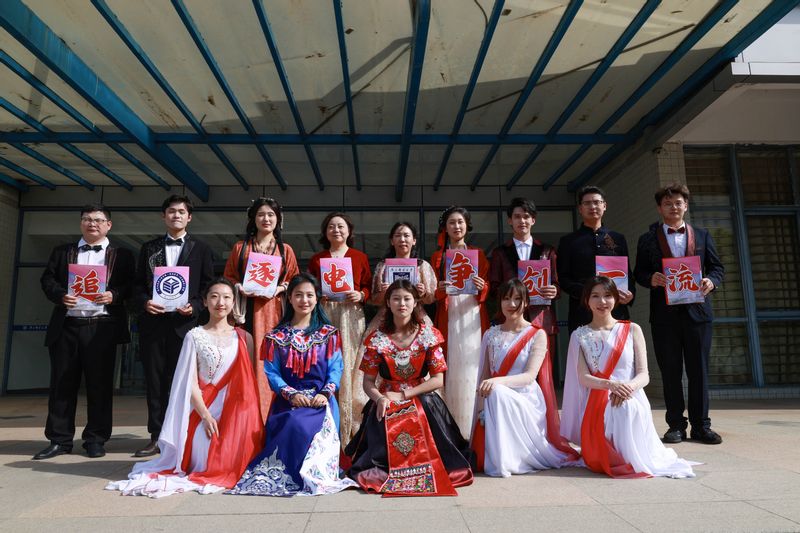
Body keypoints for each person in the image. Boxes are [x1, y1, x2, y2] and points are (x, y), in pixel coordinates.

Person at [106, 279, 263, 497]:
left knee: (240, 449)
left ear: (234, 302)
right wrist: (206, 416)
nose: (221, 302)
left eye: (227, 297)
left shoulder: (244, 338)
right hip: (203, 409)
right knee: (207, 444)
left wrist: (240, 417)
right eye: (214, 296)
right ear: (205, 302)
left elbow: (248, 384)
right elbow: (189, 383)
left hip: (237, 411)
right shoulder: (194, 336)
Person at [230, 274, 357, 496]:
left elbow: (336, 369)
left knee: (303, 426)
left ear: (317, 299)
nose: (304, 300)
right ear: (289, 298)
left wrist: (325, 394)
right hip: (287, 403)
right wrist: (291, 394)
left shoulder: (329, 334)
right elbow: (272, 373)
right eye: (298, 295)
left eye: (309, 295)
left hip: (321, 401)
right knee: (293, 423)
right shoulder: (276, 337)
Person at [346, 280, 473, 496]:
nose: (402, 304)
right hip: (387, 399)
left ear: (415, 302)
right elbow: (368, 382)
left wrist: (403, 394)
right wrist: (380, 398)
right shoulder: (377, 339)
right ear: (388, 303)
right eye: (396, 299)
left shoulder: (428, 335)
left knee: (428, 411)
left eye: (407, 299)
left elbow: (437, 380)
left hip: (422, 398)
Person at [561, 277, 696, 479]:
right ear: (586, 300)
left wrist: (627, 388)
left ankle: (628, 458)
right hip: (597, 399)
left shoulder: (632, 329)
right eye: (595, 296)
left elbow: (644, 374)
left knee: (625, 407)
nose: (602, 301)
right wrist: (611, 385)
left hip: (631, 394)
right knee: (618, 409)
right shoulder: (579, 335)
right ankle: (613, 456)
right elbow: (583, 377)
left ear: (616, 299)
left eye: (608, 295)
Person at [34, 204, 135, 460]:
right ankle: (59, 440)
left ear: (108, 225)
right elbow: (47, 280)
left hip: (101, 327)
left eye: (98, 220)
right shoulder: (63, 251)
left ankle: (95, 439)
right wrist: (60, 295)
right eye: (87, 219)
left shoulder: (122, 254)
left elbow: (131, 285)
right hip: (67, 326)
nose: (92, 224)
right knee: (61, 385)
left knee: (99, 386)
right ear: (81, 223)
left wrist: (114, 295)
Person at [634, 183, 725, 445]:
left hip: (698, 314)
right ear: (659, 208)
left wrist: (711, 281)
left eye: (678, 202)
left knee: (699, 371)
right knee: (670, 371)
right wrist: (651, 278)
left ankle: (701, 426)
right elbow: (639, 272)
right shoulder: (647, 239)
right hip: (664, 317)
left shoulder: (703, 235)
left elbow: (717, 268)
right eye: (667, 203)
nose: (673, 207)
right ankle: (675, 425)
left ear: (685, 205)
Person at [133, 195, 215, 457]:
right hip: (154, 325)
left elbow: (208, 286)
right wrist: (145, 302)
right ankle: (156, 436)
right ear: (163, 216)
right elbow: (137, 285)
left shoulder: (202, 249)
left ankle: (184, 435)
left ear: (189, 217)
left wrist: (195, 306)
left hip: (185, 326)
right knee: (155, 383)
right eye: (171, 211)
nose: (176, 215)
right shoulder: (149, 248)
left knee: (185, 382)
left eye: (181, 212)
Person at [472, 279, 579, 477]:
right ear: (499, 302)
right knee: (495, 394)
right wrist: (480, 409)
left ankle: (508, 462)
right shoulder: (490, 334)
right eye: (506, 299)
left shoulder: (537, 334)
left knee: (496, 392)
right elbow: (484, 375)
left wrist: (497, 382)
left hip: (525, 397)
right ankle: (501, 459)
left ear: (526, 302)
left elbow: (529, 376)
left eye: (517, 299)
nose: (511, 304)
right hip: (495, 395)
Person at [224, 197, 300, 421]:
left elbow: (295, 280)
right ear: (253, 219)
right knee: (246, 361)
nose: (266, 219)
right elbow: (228, 277)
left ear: (278, 219)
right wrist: (238, 287)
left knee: (275, 362)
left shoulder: (285, 250)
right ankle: (247, 419)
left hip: (274, 313)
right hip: (246, 312)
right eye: (261, 214)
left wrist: (281, 288)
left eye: (270, 215)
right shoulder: (241, 248)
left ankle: (273, 416)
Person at [308, 212, 372, 443]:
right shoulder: (317, 259)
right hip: (326, 313)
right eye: (331, 227)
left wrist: (361, 294)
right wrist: (318, 295)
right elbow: (310, 288)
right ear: (325, 233)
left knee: (350, 361)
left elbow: (369, 287)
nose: (336, 230)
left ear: (349, 231)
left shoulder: (359, 257)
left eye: (341, 226)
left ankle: (352, 424)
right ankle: (327, 420)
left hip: (351, 314)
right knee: (325, 360)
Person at [430, 206, 489, 438]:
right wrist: (440, 289)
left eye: (460, 222)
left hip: (472, 312)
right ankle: (451, 426)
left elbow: (488, 289)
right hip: (450, 311)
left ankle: (475, 425)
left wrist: (483, 287)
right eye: (452, 222)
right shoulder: (438, 257)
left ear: (467, 225)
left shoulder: (479, 254)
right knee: (450, 362)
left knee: (473, 363)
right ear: (445, 227)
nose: (457, 226)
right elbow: (432, 293)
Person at [489, 197, 560, 378]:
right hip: (511, 321)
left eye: (526, 216)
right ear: (509, 221)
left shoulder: (547, 250)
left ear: (533, 220)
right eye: (517, 216)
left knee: (543, 374)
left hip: (541, 318)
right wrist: (510, 293)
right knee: (510, 370)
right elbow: (494, 288)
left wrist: (554, 290)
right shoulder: (499, 252)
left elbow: (557, 284)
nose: (522, 221)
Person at [557, 186, 635, 334]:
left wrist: (630, 293)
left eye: (597, 202)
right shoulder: (568, 241)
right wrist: (588, 293)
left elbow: (628, 274)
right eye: (587, 203)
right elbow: (563, 278)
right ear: (580, 209)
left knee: (618, 348)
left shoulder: (618, 238)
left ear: (604, 206)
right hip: (582, 311)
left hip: (615, 311)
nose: (592, 207)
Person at [363, 221, 437, 342]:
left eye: (406, 235)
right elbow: (374, 300)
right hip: (386, 316)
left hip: (416, 314)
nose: (402, 239)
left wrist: (422, 293)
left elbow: (431, 299)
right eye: (397, 236)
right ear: (392, 241)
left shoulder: (422, 265)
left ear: (414, 240)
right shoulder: (383, 266)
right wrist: (383, 292)